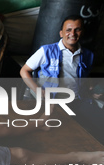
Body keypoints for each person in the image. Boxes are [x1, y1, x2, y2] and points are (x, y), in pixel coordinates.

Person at [20, 14, 104, 144]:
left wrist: (91, 89)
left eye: (77, 29)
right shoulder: (46, 51)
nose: (73, 33)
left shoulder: (87, 55)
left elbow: (84, 76)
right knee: (55, 136)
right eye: (68, 30)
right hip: (52, 101)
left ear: (82, 32)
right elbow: (24, 70)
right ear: (61, 33)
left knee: (100, 123)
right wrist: (36, 90)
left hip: (78, 100)